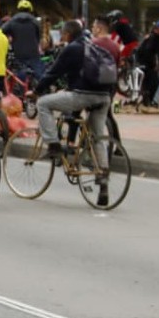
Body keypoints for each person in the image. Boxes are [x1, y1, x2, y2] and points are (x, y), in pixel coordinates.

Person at [33, 20, 114, 201]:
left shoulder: (71, 48)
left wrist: (37, 91)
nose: (61, 37)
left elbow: (53, 73)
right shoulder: (93, 45)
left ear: (68, 35)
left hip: (82, 96)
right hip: (104, 97)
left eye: (62, 34)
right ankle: (103, 182)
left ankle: (54, 145)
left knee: (43, 104)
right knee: (97, 137)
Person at [4, 0, 44, 82]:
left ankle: (22, 91)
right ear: (30, 10)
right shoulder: (35, 21)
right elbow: (39, 35)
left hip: (18, 53)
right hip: (33, 52)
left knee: (20, 74)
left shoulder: (12, 21)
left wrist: (10, 38)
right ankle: (42, 89)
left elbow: (2, 31)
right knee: (39, 74)